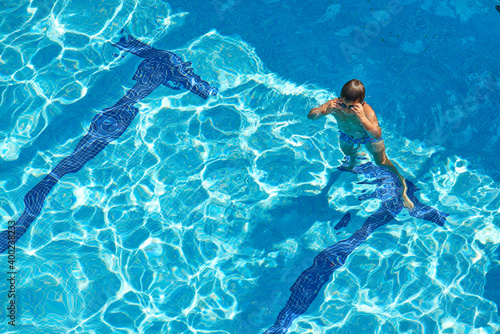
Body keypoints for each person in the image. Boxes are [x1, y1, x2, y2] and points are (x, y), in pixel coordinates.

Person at [307, 79, 414, 210]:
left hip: (368, 138)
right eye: (343, 105)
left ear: (362, 103)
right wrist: (324, 111)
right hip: (347, 136)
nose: (346, 110)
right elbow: (311, 116)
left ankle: (402, 183)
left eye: (351, 107)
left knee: (381, 162)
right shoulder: (334, 105)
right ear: (340, 99)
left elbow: (377, 134)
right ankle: (353, 160)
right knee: (348, 153)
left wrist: (362, 118)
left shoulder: (367, 112)